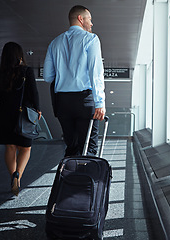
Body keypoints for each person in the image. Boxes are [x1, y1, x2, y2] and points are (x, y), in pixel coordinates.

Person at [43, 5, 106, 157]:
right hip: (84, 100)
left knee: (72, 147)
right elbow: (95, 72)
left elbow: (47, 77)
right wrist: (100, 102)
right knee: (88, 148)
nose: (91, 24)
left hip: (62, 103)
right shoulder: (91, 39)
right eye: (89, 19)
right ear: (80, 18)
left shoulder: (55, 43)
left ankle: (71, 179)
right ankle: (87, 180)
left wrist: (64, 73)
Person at [0, 42, 42, 196]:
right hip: (23, 115)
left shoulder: (0, 72)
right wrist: (38, 109)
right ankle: (18, 176)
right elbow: (33, 92)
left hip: (5, 114)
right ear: (20, 55)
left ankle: (12, 175)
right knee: (26, 148)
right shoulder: (26, 71)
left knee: (10, 147)